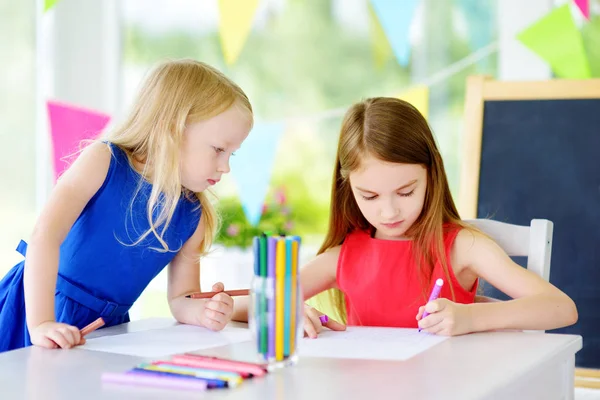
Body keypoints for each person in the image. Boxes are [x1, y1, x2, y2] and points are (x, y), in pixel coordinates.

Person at [233, 97, 578, 339]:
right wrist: (284, 310)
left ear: (432, 174)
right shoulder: (344, 256)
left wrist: (471, 317)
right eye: (369, 196)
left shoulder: (463, 247)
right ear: (347, 187)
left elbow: (560, 308)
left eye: (406, 191)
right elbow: (252, 303)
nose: (389, 211)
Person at [0, 59, 253, 351]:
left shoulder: (193, 215)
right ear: (172, 130)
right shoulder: (103, 161)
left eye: (231, 154)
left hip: (106, 332)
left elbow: (182, 297)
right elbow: (44, 237)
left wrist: (204, 312)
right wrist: (41, 323)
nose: (225, 167)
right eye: (219, 149)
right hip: (33, 307)